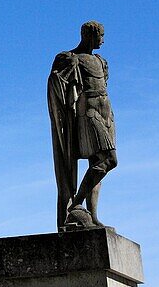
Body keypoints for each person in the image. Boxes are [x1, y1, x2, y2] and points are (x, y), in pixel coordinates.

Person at [47, 21, 117, 229]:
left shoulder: (101, 61)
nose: (103, 40)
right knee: (109, 160)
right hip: (89, 114)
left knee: (99, 161)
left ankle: (93, 216)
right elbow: (56, 84)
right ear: (90, 35)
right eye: (101, 36)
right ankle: (76, 205)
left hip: (106, 113)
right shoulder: (71, 58)